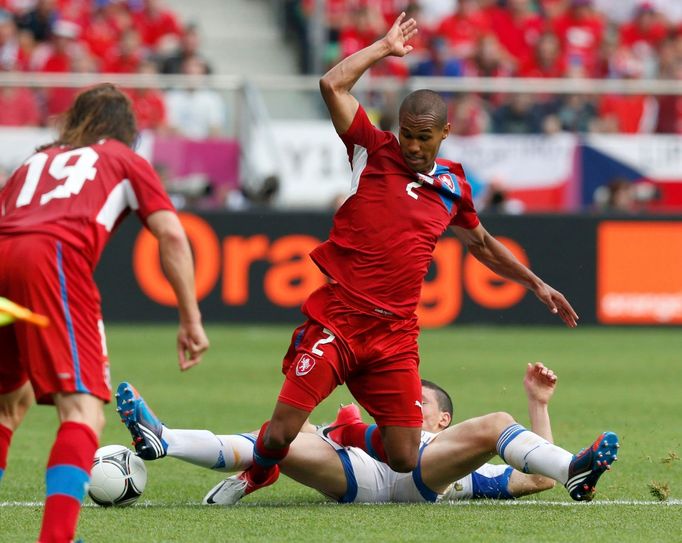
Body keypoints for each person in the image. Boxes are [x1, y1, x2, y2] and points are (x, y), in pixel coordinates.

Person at [212, 12, 580, 506]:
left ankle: (346, 434)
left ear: (444, 133)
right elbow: (331, 84)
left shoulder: (453, 187)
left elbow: (483, 244)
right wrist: (383, 48)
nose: (411, 144)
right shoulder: (372, 149)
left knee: (406, 455)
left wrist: (537, 284)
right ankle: (257, 473)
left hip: (394, 335)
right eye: (406, 133)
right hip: (340, 321)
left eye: (422, 137)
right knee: (278, 437)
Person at [0, 84, 209, 543]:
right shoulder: (123, 159)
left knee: (8, 404)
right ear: (126, 132)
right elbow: (172, 235)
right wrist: (191, 317)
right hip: (53, 258)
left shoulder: (33, 160)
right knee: (83, 413)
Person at [116, 362, 618, 504]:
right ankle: (165, 440)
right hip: (353, 475)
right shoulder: (356, 427)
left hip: (422, 477)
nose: (403, 404)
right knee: (276, 432)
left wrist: (537, 403)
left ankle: (576, 467)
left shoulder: (450, 445)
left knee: (496, 422)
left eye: (415, 402)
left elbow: (536, 482)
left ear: (442, 419)